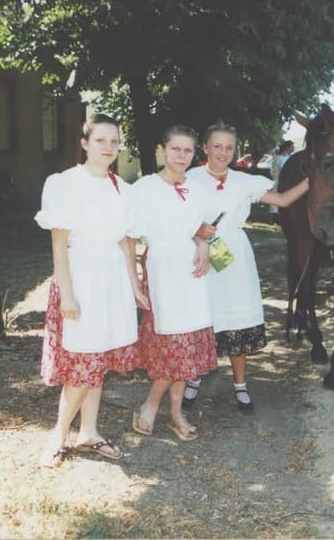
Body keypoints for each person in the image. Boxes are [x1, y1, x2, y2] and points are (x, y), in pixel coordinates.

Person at [35, 114, 148, 467]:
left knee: (98, 361)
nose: (109, 148)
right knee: (85, 360)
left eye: (114, 141)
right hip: (81, 277)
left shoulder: (125, 190)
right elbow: (59, 243)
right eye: (100, 140)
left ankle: (89, 432)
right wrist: (67, 293)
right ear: (85, 143)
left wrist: (135, 287)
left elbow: (127, 243)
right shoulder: (64, 183)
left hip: (112, 281)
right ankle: (58, 433)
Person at [183, 122, 309, 412]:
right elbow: (177, 215)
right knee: (202, 318)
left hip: (235, 257)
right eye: (217, 146)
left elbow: (282, 199)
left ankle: (240, 385)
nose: (223, 152)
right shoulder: (190, 178)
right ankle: (194, 378)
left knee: (237, 320)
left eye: (229, 147)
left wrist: (310, 181)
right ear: (205, 147)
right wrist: (194, 231)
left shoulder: (244, 181)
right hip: (200, 252)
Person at [130, 125, 218, 441]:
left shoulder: (197, 189)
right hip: (163, 269)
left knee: (188, 347)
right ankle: (152, 405)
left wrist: (205, 246)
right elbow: (129, 236)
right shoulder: (143, 188)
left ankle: (176, 413)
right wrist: (134, 282)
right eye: (175, 149)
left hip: (193, 274)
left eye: (188, 150)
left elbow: (201, 231)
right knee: (173, 344)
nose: (182, 156)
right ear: (162, 151)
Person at [268, 140, 295, 223]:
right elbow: (273, 171)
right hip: (279, 180)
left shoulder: (290, 157)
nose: (293, 148)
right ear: (288, 147)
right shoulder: (278, 158)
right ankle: (276, 218)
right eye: (292, 146)